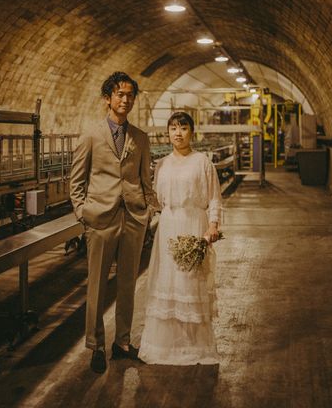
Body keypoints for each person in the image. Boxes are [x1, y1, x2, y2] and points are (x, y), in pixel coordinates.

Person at [70, 71, 159, 374]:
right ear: (107, 98)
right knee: (96, 285)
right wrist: (83, 212)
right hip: (101, 220)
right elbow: (77, 180)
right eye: (120, 94)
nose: (126, 100)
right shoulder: (91, 134)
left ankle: (122, 342)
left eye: (130, 95)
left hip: (133, 218)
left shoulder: (141, 138)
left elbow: (147, 181)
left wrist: (150, 212)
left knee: (127, 284)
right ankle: (95, 345)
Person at [139, 111, 222, 365]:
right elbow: (154, 198)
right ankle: (164, 346)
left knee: (190, 280)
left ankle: (193, 346)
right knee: (168, 280)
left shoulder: (203, 163)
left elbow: (214, 198)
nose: (178, 133)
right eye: (173, 128)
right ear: (168, 133)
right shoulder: (161, 164)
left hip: (193, 226)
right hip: (168, 227)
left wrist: (212, 226)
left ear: (191, 132)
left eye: (183, 128)